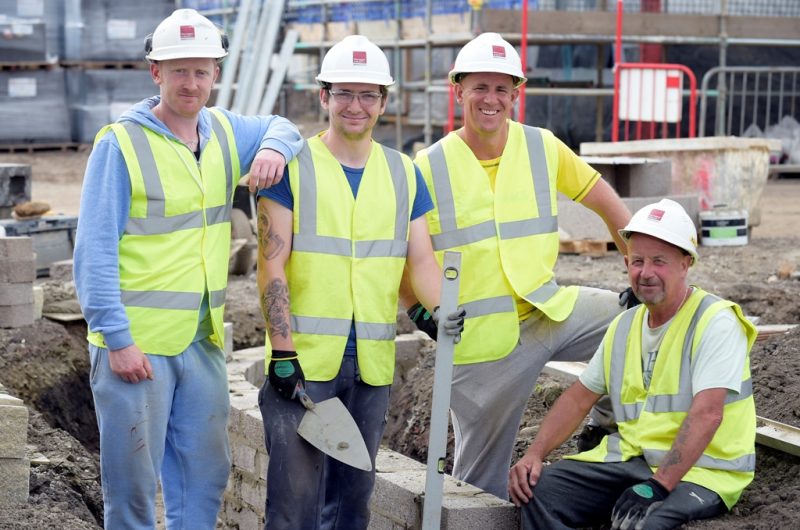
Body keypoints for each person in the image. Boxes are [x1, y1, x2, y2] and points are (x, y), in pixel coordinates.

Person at [73, 9, 303, 529]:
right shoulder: (121, 144)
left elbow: (284, 126)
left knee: (205, 474)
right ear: (156, 72)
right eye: (179, 71)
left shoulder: (221, 130)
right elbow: (94, 251)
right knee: (132, 487)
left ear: (215, 75)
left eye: (201, 71)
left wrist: (271, 149)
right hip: (137, 344)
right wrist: (116, 336)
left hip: (201, 340)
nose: (191, 83)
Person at [403, 32, 633, 499]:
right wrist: (417, 311)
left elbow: (608, 204)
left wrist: (638, 268)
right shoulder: (426, 167)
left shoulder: (541, 147)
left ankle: (604, 428)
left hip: (549, 310)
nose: (491, 99)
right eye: (480, 87)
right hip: (482, 346)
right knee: (475, 489)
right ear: (458, 90)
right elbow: (401, 259)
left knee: (634, 321)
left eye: (501, 88)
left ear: (516, 94)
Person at [255, 35, 464, 530]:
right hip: (302, 364)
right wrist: (282, 352)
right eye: (344, 93)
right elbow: (271, 264)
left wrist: (437, 312)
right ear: (323, 96)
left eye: (368, 95)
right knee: (294, 508)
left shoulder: (403, 173)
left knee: (353, 506)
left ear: (383, 102)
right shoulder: (293, 166)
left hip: (371, 362)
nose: (355, 106)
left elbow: (422, 260)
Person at [509, 198, 757, 530]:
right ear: (626, 263)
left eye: (659, 261)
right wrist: (534, 454)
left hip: (704, 472)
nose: (646, 273)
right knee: (536, 492)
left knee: (643, 523)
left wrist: (658, 485)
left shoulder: (714, 322)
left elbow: (708, 413)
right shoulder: (625, 326)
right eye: (637, 261)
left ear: (686, 263)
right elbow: (578, 398)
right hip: (632, 460)